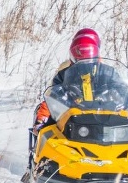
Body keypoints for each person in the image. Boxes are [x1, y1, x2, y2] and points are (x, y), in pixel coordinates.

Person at [29, 28, 101, 161]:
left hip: (98, 118)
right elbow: (53, 95)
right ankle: (42, 165)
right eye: (79, 53)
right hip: (70, 118)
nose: (83, 57)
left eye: (86, 52)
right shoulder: (65, 72)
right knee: (48, 131)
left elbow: (119, 93)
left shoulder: (105, 73)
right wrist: (42, 119)